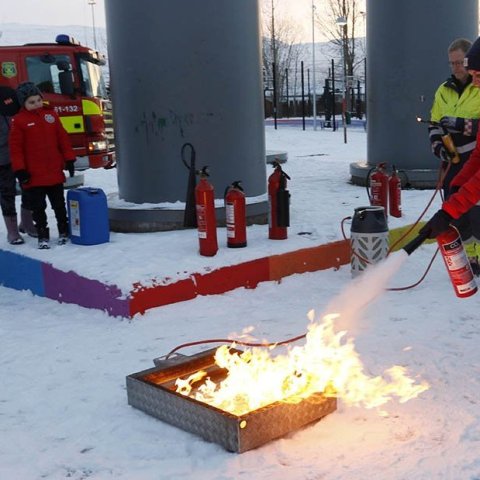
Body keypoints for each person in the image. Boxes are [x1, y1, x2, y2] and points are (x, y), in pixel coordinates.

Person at [422, 36, 480, 247]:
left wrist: (463, 124)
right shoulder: (443, 90)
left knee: (475, 211)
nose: (456, 67)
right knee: (459, 213)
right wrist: (438, 145)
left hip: (472, 160)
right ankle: (469, 258)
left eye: (460, 62)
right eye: (452, 63)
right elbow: (434, 122)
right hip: (455, 162)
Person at [9, 82, 76, 249]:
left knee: (59, 205)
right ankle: (42, 235)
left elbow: (63, 139)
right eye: (31, 102)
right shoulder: (19, 121)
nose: (36, 104)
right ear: (23, 103)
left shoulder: (51, 115)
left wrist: (69, 159)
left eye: (38, 100)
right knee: (39, 208)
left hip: (54, 172)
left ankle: (63, 231)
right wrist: (20, 170)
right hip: (34, 176)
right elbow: (15, 149)